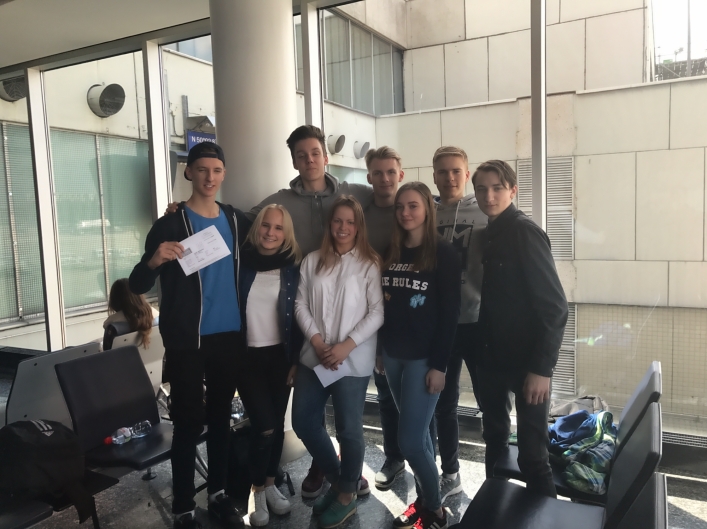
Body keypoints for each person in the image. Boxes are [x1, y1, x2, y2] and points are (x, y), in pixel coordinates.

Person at [129, 142, 250, 529]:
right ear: (189, 173)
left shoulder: (235, 221)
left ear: (224, 174)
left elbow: (273, 238)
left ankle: (218, 494)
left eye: (216, 170)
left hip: (229, 335)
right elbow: (137, 284)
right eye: (201, 170)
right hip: (186, 340)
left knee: (220, 418)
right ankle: (183, 506)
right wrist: (154, 260)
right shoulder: (170, 224)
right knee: (187, 423)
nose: (209, 177)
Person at [472, 160, 568, 498]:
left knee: (533, 456)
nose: (489, 195)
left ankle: (543, 518)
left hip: (528, 363)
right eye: (481, 189)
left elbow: (555, 307)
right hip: (491, 359)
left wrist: (542, 369)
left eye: (497, 188)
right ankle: (495, 512)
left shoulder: (524, 232)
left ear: (512, 191)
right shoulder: (488, 232)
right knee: (495, 442)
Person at [292, 195, 384, 528]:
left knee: (349, 429)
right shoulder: (312, 260)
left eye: (350, 222)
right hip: (313, 356)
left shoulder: (369, 264)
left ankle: (346, 498)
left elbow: (377, 312)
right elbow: (300, 304)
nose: (343, 227)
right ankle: (341, 481)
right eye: (337, 221)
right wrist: (317, 341)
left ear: (358, 227)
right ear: (329, 224)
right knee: (303, 421)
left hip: (352, 360)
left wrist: (346, 345)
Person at [380, 182, 461, 529]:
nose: (405, 212)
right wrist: (381, 349)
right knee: (421, 436)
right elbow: (383, 305)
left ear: (428, 208)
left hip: (424, 360)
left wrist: (440, 366)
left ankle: (436, 510)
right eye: (400, 207)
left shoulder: (444, 253)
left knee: (410, 442)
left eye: (413, 205)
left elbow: (450, 315)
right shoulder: (390, 250)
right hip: (392, 356)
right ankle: (425, 502)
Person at [236, 204, 304, 527]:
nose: (271, 233)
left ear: (286, 234)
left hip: (280, 357)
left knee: (275, 424)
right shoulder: (240, 264)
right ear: (257, 227)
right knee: (263, 425)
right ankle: (257, 491)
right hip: (247, 357)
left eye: (278, 228)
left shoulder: (292, 269)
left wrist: (296, 361)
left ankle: (270, 483)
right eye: (266, 225)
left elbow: (299, 318)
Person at [430, 146, 487, 501]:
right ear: (434, 176)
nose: (450, 178)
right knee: (444, 405)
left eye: (456, 171)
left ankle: (498, 476)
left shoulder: (485, 211)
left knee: (490, 403)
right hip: (441, 326)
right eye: (443, 171)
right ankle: (450, 473)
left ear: (466, 174)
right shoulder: (426, 214)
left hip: (478, 322)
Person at [249, 125, 373, 256]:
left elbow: (386, 200)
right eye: (301, 156)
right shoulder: (280, 202)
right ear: (294, 163)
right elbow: (241, 222)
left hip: (350, 267)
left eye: (315, 153)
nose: (309, 160)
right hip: (299, 268)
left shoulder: (355, 193)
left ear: (325, 158)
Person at [102, 277, 159, 350]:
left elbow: (107, 353)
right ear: (139, 296)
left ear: (114, 300)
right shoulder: (158, 319)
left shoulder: (113, 329)